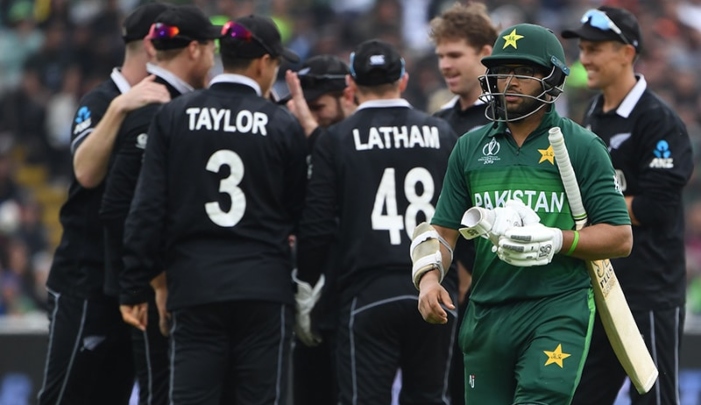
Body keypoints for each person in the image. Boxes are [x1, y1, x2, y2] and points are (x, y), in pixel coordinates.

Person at [413, 23, 633, 405]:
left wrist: (556, 239)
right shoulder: (469, 147)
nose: (509, 81)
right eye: (502, 71)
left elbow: (620, 237)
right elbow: (443, 229)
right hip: (487, 313)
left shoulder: (582, 146)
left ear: (552, 79)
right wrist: (430, 280)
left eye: (526, 72)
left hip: (556, 308)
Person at [119, 14, 305, 405]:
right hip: (263, 290)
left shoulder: (174, 115)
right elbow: (298, 211)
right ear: (263, 63)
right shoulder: (280, 124)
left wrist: (138, 284)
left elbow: (148, 207)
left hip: (195, 287)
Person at [296, 39, 459, 405]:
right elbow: (462, 216)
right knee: (430, 398)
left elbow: (317, 225)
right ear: (403, 80)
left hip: (366, 292)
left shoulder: (337, 138)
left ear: (351, 85)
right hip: (433, 289)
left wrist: (307, 284)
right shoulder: (442, 134)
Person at [37, 3, 171, 404]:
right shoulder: (100, 101)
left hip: (134, 282)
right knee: (69, 395)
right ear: (152, 46)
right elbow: (86, 173)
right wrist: (119, 108)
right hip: (87, 282)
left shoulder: (170, 108)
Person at [562, 7, 694, 405]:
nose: (585, 58)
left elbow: (655, 205)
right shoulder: (592, 116)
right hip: (601, 290)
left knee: (654, 400)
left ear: (627, 52)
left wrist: (597, 215)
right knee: (581, 396)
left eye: (595, 48)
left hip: (648, 292)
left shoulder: (659, 121)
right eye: (582, 48)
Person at [102, 5, 223, 405]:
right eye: (211, 46)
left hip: (186, 285)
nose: (214, 57)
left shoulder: (180, 106)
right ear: (194, 50)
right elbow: (121, 207)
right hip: (162, 291)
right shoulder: (155, 109)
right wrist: (152, 282)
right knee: (164, 392)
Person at [427, 4, 497, 404]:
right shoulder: (437, 122)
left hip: (492, 288)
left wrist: (470, 269)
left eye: (455, 55)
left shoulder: (505, 126)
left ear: (485, 54)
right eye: (440, 56)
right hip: (445, 284)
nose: (445, 65)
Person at [283, 54, 355, 405]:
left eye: (317, 106)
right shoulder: (291, 143)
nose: (307, 115)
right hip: (303, 293)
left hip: (349, 299)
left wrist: (314, 136)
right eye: (302, 106)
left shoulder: (362, 145)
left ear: (348, 97)